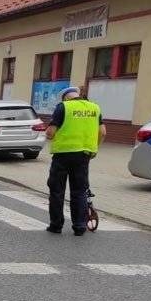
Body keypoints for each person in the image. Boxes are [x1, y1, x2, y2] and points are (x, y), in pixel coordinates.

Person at [44, 86, 105, 235]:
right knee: (79, 191)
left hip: (62, 156)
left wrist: (49, 136)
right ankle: (79, 227)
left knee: (57, 190)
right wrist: (95, 148)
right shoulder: (95, 108)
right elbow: (103, 132)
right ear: (77, 95)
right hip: (84, 155)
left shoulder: (63, 107)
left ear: (65, 98)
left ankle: (56, 225)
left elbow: (51, 133)